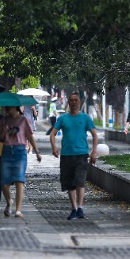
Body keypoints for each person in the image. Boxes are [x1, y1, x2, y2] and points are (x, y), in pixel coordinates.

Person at [50, 92, 98, 220]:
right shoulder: (62, 119)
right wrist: (54, 147)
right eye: (71, 100)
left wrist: (94, 151)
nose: (73, 102)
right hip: (66, 154)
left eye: (76, 100)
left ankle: (80, 208)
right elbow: (52, 133)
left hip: (81, 154)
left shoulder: (85, 118)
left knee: (80, 181)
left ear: (80, 102)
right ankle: (74, 208)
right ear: (68, 102)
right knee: (69, 183)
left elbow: (94, 134)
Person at [0, 105, 42, 218]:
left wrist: (37, 152)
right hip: (6, 151)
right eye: (6, 107)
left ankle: (18, 210)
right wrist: (4, 131)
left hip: (20, 151)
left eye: (10, 107)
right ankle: (9, 202)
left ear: (16, 107)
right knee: (4, 182)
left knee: (19, 180)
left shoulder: (23, 120)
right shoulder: (3, 120)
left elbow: (30, 136)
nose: (7, 109)